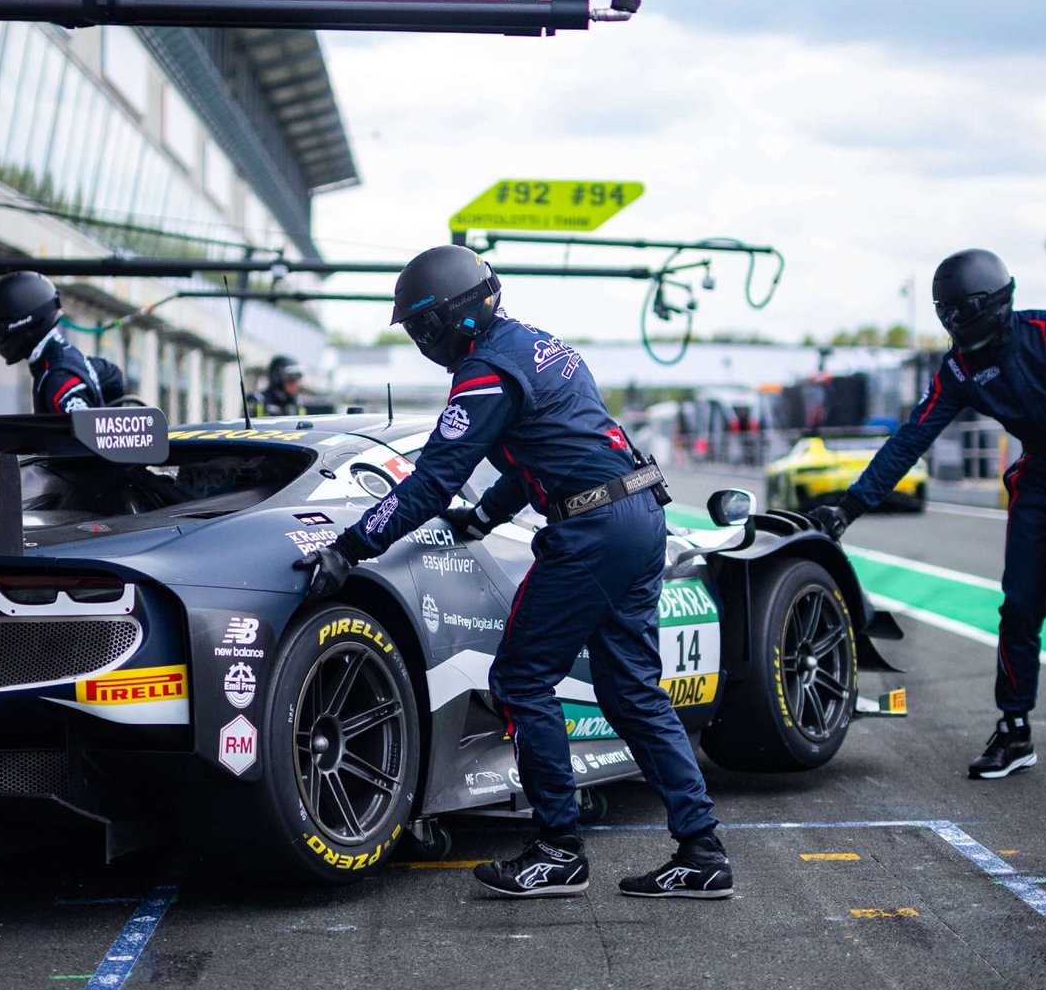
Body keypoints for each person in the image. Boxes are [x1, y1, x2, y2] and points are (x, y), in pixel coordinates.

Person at [292, 245, 733, 900]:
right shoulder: (540, 344)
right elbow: (547, 447)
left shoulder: (483, 372)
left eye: (423, 329)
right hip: (638, 512)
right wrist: (487, 517)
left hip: (592, 530)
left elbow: (434, 478)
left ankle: (557, 849)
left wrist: (350, 548)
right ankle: (703, 852)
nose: (420, 343)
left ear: (457, 318)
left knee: (520, 679)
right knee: (632, 693)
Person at [807, 249, 1046, 783]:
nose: (949, 322)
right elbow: (910, 439)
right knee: (1018, 610)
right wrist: (848, 508)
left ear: (986, 304)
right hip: (1039, 476)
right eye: (943, 312)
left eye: (956, 311)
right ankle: (1015, 731)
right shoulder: (959, 369)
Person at [0, 271, 123, 414]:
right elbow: (113, 374)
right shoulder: (65, 357)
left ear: (21, 324)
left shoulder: (59, 378)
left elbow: (83, 434)